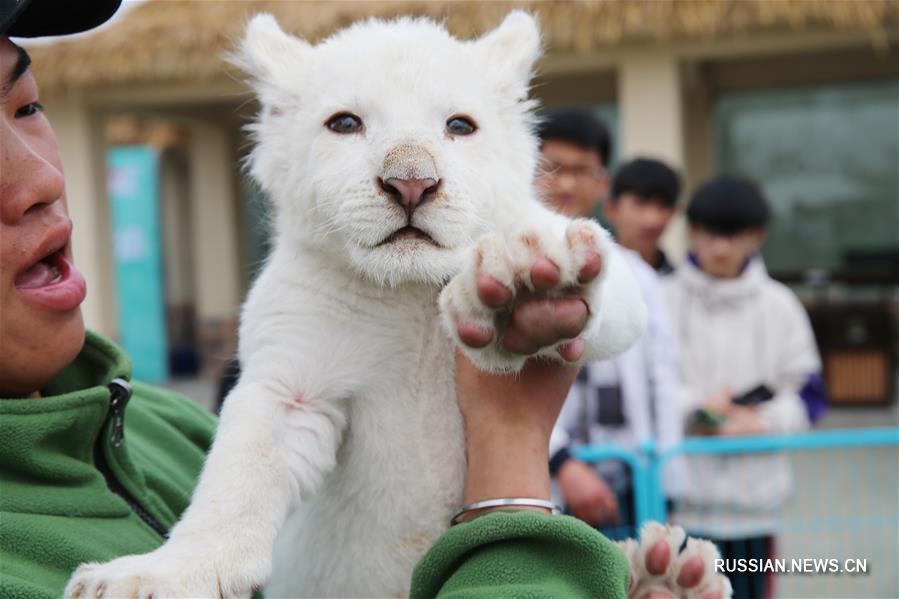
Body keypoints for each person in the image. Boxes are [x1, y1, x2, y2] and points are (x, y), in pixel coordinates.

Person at [0, 4, 719, 598]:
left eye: (459, 126)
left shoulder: (513, 239)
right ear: (276, 136)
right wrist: (204, 554)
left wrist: (575, 277)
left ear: (511, 144)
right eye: (346, 122)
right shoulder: (301, 283)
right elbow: (279, 411)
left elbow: (619, 317)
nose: (410, 172)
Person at [662, 175, 824, 599]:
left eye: (734, 236)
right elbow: (649, 385)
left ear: (757, 236)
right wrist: (697, 408)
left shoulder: (780, 305)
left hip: (756, 505)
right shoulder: (661, 299)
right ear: (692, 231)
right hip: (682, 502)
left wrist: (761, 422)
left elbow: (809, 393)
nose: (719, 248)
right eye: (710, 234)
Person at [537, 108, 683, 540]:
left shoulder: (634, 272)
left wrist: (669, 486)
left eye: (581, 170)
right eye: (553, 167)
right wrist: (563, 464)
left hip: (632, 482)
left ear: (602, 182)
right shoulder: (509, 262)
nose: (565, 183)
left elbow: (663, 375)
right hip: (547, 485)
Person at [608, 158, 681, 275]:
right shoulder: (591, 277)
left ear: (674, 212)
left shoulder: (680, 285)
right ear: (612, 209)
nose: (652, 220)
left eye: (663, 206)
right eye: (640, 204)